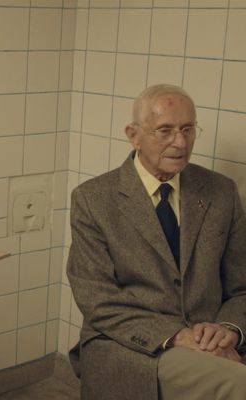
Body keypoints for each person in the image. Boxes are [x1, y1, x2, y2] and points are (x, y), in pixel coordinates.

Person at [67, 84, 246, 399]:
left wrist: (228, 330)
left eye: (188, 129)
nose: (180, 142)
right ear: (133, 135)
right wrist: (177, 336)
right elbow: (97, 300)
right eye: (165, 131)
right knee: (237, 383)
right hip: (130, 342)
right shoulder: (93, 199)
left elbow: (241, 286)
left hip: (211, 335)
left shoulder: (221, 192)